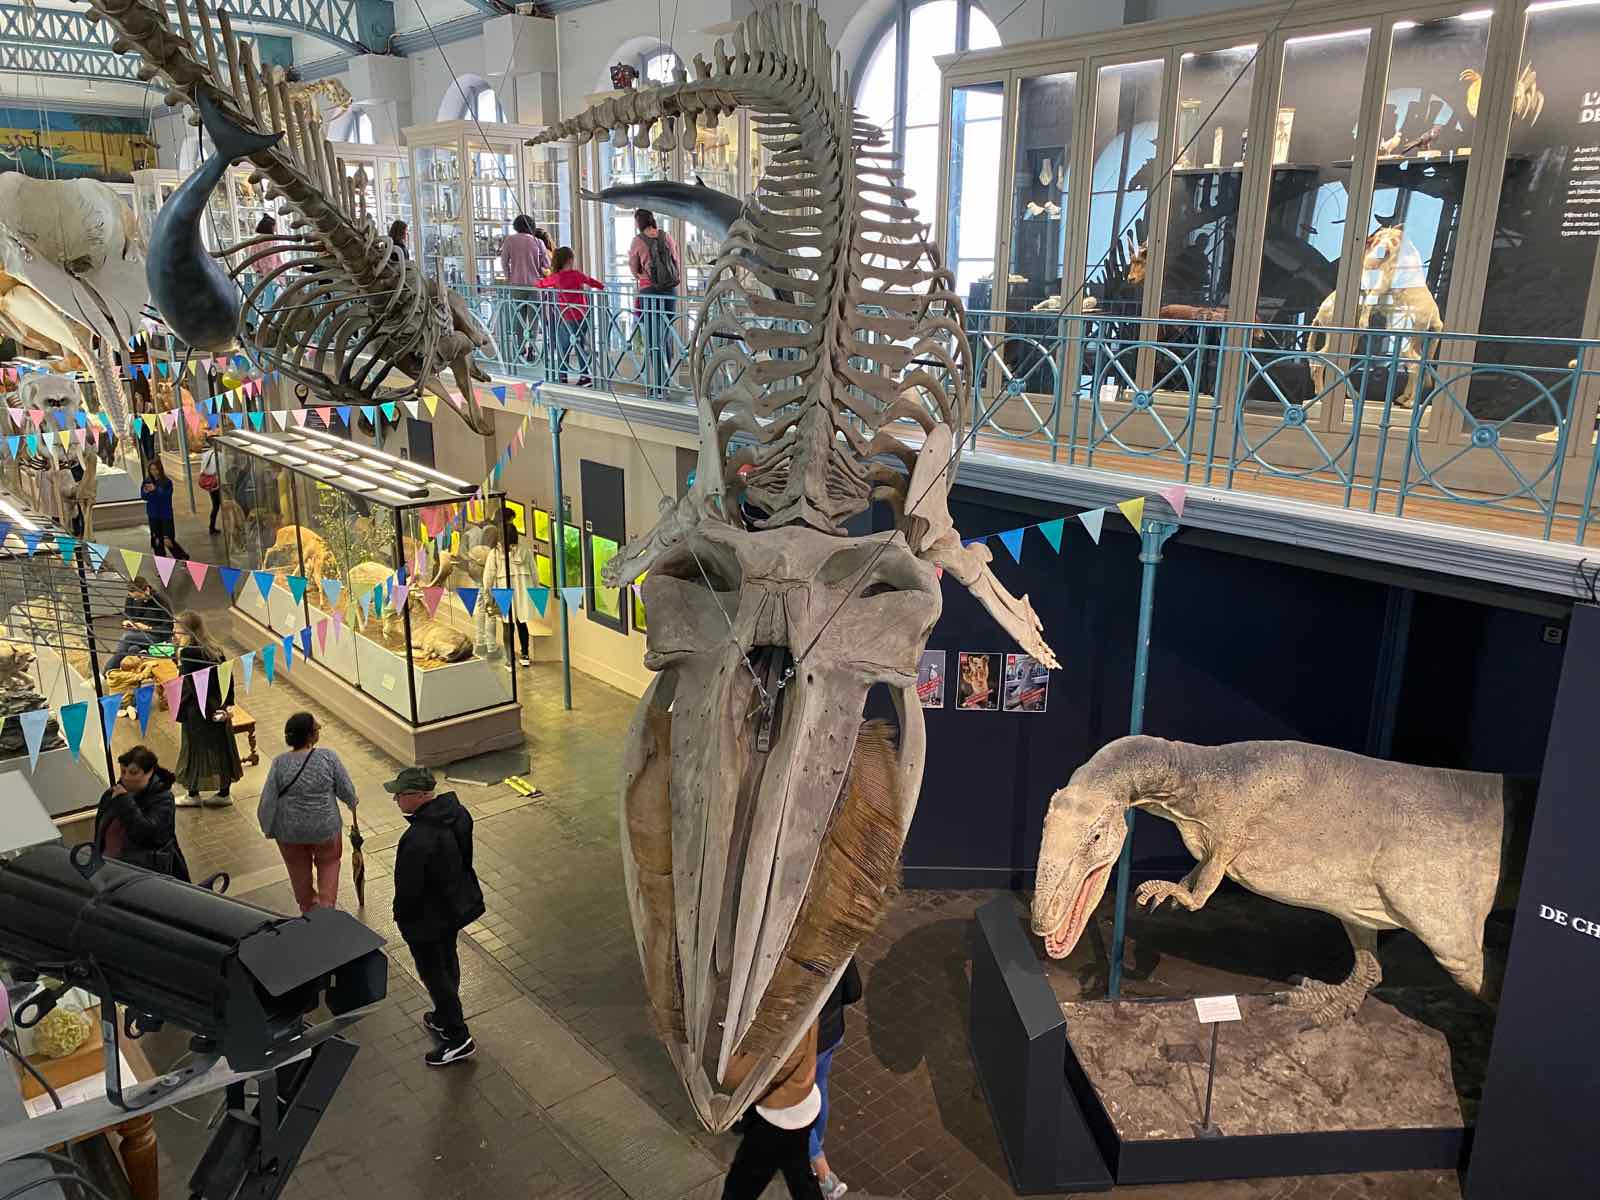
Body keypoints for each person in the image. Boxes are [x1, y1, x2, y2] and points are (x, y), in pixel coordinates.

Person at [388, 766, 484, 1066]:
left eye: (400, 795)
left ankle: (458, 1037)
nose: (396, 800)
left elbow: (409, 887)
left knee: (434, 973)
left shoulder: (418, 837)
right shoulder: (458, 814)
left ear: (419, 796)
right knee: (447, 959)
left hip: (426, 918)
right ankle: (443, 1016)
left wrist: (401, 916)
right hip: (452, 906)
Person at [257, 712, 359, 913]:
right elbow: (346, 789)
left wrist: (267, 827)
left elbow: (268, 799)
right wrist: (351, 802)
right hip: (325, 828)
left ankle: (307, 907)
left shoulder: (280, 763)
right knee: (329, 863)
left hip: (290, 831)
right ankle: (327, 907)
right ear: (311, 735)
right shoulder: (328, 757)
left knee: (297, 870)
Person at [722, 1024, 824, 1200]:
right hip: (800, 1107)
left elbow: (731, 1076)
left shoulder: (779, 1025)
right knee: (798, 1172)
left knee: (741, 1184)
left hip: (775, 1119)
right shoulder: (805, 1009)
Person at [172, 610, 240, 808]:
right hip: (216, 706)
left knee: (194, 751)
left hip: (197, 710)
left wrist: (181, 705)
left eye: (176, 629)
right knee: (220, 750)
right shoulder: (214, 649)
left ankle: (192, 794)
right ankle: (224, 793)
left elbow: (190, 686)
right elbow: (227, 678)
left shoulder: (188, 653)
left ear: (187, 631)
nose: (174, 633)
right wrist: (225, 706)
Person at [93, 744, 190, 881]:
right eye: (123, 772)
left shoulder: (162, 798)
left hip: (143, 876)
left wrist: (124, 801)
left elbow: (148, 834)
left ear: (149, 773)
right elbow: (100, 833)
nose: (126, 778)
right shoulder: (111, 795)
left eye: (133, 773)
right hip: (109, 869)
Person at [811, 961, 862, 1198]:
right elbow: (854, 991)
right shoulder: (839, 946)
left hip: (804, 1045)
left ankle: (822, 1172)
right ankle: (817, 1142)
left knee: (791, 1105)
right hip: (832, 1033)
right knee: (820, 1088)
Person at [629, 209, 681, 397]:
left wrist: (642, 274)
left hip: (649, 292)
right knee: (666, 335)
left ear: (639, 223)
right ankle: (665, 384)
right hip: (670, 291)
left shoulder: (637, 241)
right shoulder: (667, 237)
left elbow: (634, 269)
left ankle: (657, 385)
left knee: (653, 339)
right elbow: (676, 262)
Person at [537, 246, 603, 385]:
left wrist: (537, 280)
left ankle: (562, 376)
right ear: (570, 260)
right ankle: (585, 375)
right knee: (580, 345)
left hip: (567, 317)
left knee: (563, 347)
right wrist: (602, 287)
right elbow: (591, 281)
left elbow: (541, 284)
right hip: (582, 316)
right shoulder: (577, 275)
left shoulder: (556, 277)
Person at [108, 578, 175, 669]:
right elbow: (128, 615)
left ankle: (108, 670)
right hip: (138, 634)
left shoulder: (161, 600)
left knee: (127, 637)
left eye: (138, 597)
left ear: (147, 590)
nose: (136, 600)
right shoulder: (131, 598)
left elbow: (168, 629)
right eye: (134, 598)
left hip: (158, 635)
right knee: (133, 649)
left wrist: (147, 628)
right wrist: (126, 622)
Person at [141, 458, 188, 558]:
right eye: (151, 470)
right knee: (157, 541)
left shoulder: (166, 482)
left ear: (160, 469)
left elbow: (166, 496)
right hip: (153, 515)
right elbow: (144, 496)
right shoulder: (147, 481)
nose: (154, 472)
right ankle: (162, 562)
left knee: (168, 540)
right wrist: (146, 491)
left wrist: (156, 489)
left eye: (155, 469)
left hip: (165, 514)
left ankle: (182, 557)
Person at [199, 443, 222, 535]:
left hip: (209, 483)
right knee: (219, 505)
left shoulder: (205, 454)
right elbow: (221, 471)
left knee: (215, 506)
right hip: (216, 483)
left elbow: (202, 469)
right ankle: (212, 527)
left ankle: (211, 526)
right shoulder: (220, 456)